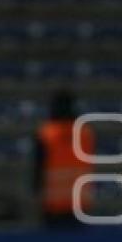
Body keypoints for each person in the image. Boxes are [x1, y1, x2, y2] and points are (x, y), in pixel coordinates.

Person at [35, 89, 94, 227]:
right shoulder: (85, 133)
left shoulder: (46, 133)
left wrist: (37, 192)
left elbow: (38, 168)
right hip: (80, 203)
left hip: (53, 205)